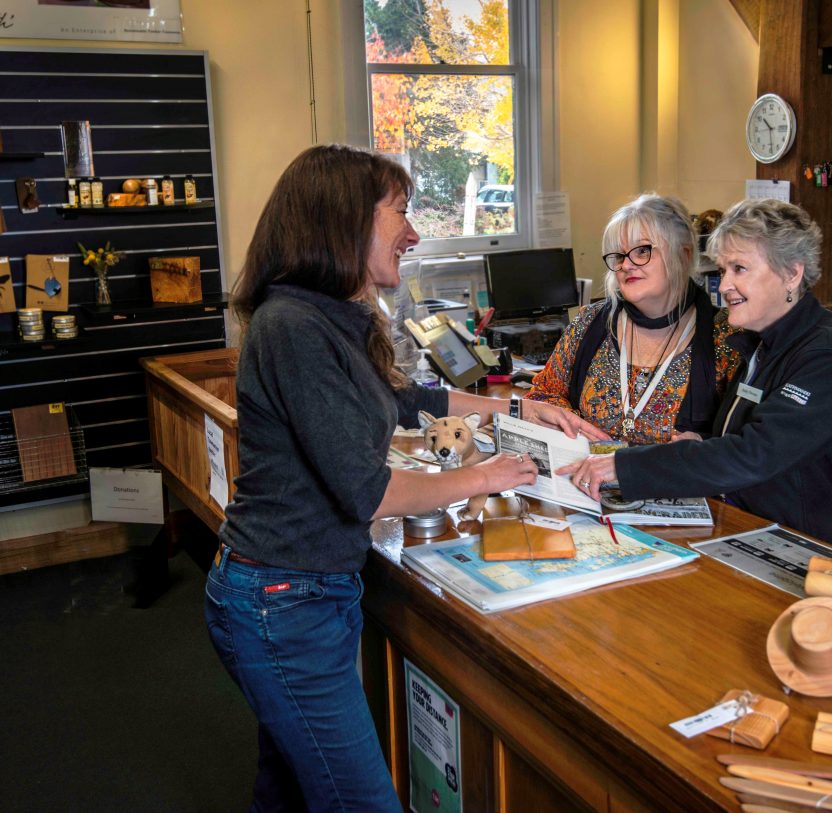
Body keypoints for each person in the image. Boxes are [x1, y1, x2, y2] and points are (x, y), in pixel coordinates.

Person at [205, 144, 605, 813]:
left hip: (304, 591)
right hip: (284, 600)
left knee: (289, 789)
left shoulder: (325, 317)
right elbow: (373, 492)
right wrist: (489, 473)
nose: (414, 233)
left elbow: (403, 401)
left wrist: (514, 405)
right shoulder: (293, 328)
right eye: (400, 212)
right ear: (345, 221)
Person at [560, 198, 832, 561]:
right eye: (723, 271)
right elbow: (765, 437)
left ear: (791, 274)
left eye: (740, 269)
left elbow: (755, 454)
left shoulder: (831, 356)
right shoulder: (761, 343)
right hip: (765, 539)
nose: (724, 286)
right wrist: (703, 440)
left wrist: (623, 466)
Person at [526, 194, 741, 444]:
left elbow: (743, 440)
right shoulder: (589, 323)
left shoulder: (727, 337)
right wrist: (570, 424)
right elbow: (541, 396)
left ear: (683, 254)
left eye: (641, 251)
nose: (627, 265)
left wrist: (702, 444)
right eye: (618, 255)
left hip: (670, 481)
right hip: (583, 479)